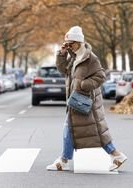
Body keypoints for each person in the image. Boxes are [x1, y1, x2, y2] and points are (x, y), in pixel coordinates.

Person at [46, 26, 127, 171]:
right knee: (72, 129)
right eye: (67, 43)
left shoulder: (90, 58)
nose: (69, 46)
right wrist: (62, 54)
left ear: (79, 42)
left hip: (86, 101)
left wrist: (84, 85)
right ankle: (64, 160)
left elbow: (101, 76)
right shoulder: (74, 57)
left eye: (71, 43)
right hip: (75, 100)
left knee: (96, 131)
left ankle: (116, 155)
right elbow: (63, 70)